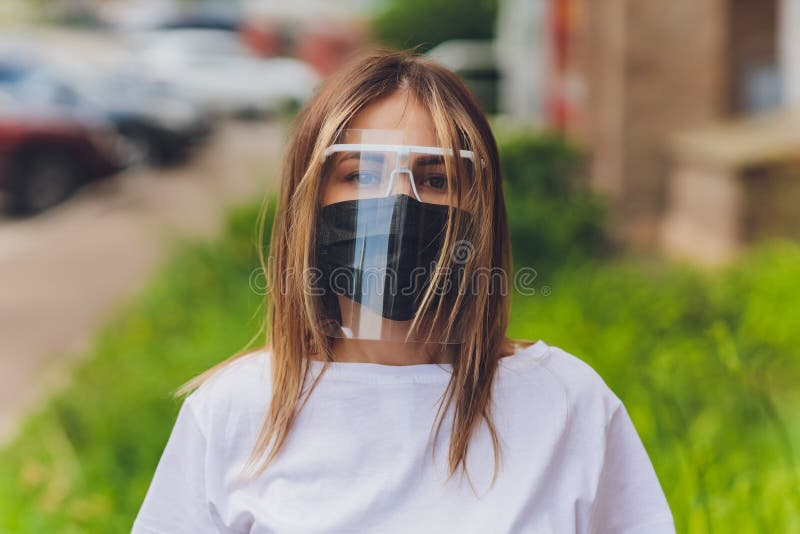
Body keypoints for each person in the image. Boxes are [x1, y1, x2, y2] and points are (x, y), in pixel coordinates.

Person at [132, 49, 675, 534]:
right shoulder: (236, 411)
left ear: (479, 211)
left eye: (435, 179)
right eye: (361, 173)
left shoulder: (567, 403)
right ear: (310, 204)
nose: (397, 203)